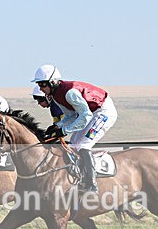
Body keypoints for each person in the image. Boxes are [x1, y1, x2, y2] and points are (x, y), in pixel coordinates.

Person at [33, 64, 118, 193]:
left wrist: (63, 130)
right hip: (91, 112)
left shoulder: (69, 93)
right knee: (73, 145)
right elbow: (71, 115)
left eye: (43, 84)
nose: (40, 88)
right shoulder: (55, 95)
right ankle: (79, 177)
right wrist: (58, 126)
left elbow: (85, 116)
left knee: (83, 145)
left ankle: (91, 185)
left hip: (103, 112)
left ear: (53, 82)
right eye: (39, 84)